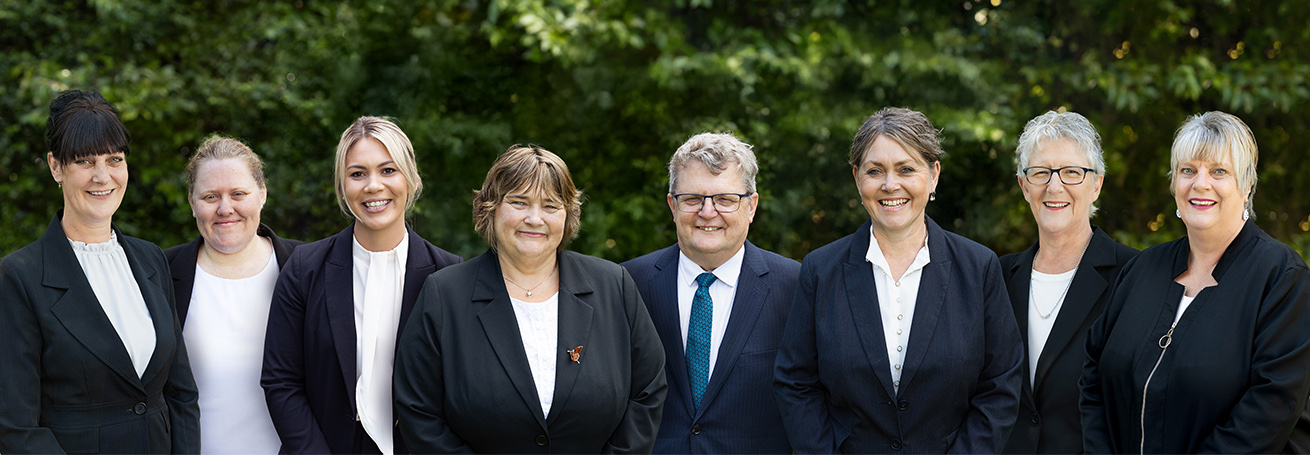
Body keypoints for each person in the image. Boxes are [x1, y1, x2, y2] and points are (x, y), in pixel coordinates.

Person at [774, 107, 1023, 453]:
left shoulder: (979, 267)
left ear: (934, 175)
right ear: (857, 178)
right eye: (875, 171)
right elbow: (796, 382)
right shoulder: (820, 270)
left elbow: (1001, 384)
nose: (891, 185)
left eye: (906, 169)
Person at [394, 145, 667, 453]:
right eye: (519, 202)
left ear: (567, 215)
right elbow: (418, 411)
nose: (535, 218)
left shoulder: (613, 285)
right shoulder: (444, 295)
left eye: (550, 205)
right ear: (490, 208)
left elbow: (648, 391)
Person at [1080, 111, 1310, 453]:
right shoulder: (1142, 269)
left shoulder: (1281, 278)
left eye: (1219, 171)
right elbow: (1093, 374)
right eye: (1188, 170)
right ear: (1175, 184)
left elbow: (1271, 406)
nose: (1200, 183)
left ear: (1246, 186)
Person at [0, 90, 200, 453]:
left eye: (114, 159)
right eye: (84, 162)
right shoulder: (18, 277)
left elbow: (181, 394)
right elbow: (16, 427)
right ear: (55, 167)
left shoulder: (151, 259)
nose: (103, 176)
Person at [261, 116, 462, 454]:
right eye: (357, 174)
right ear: (342, 185)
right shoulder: (304, 269)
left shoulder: (448, 274)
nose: (372, 186)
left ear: (411, 179)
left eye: (388, 170)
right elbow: (281, 381)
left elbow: (459, 393)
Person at [622, 132, 798, 453]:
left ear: (751, 206)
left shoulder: (796, 286)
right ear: (672, 205)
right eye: (692, 199)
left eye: (725, 199)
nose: (707, 212)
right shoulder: (628, 283)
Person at [998, 111, 1138, 454]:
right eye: (1041, 172)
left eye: (1072, 173)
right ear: (1023, 184)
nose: (1054, 186)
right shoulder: (998, 277)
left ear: (1096, 184)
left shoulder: (1134, 274)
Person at [164, 135, 302, 454]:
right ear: (192, 202)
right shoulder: (159, 274)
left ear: (262, 194)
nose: (226, 209)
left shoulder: (306, 267)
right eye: (211, 196)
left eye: (238, 194)